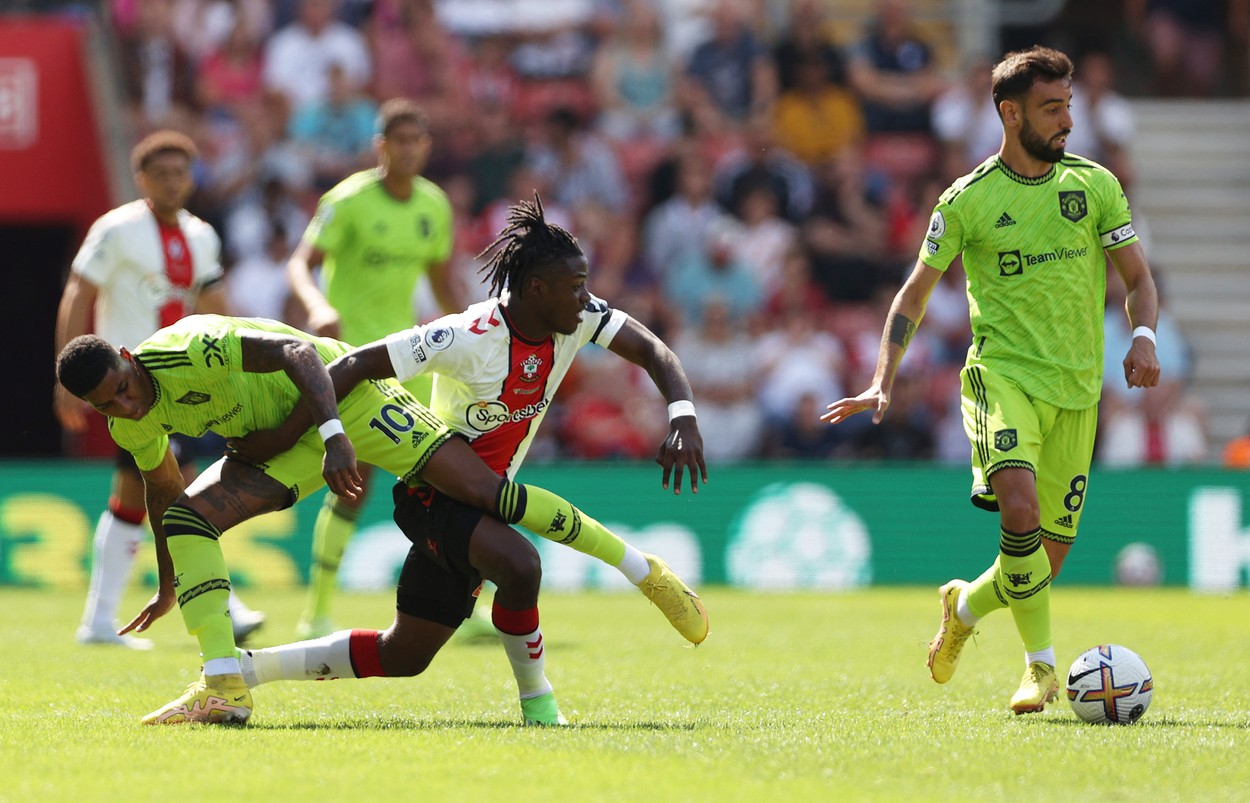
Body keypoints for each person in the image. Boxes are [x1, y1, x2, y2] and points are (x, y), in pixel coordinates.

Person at [56, 313, 707, 726]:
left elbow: (302, 356)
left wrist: (335, 432)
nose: (128, 401)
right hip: (281, 443)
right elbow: (163, 489)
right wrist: (171, 581)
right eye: (110, 401)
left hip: (348, 400)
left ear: (126, 354)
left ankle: (642, 569)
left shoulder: (187, 349)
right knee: (190, 522)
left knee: (484, 492)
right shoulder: (128, 416)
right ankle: (224, 684)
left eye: (125, 384)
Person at [229, 195, 711, 720]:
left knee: (405, 652)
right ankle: (545, 697)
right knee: (520, 564)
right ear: (536, 289)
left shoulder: (579, 317)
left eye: (585, 284)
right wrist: (302, 433)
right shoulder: (464, 336)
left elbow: (653, 351)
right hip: (432, 490)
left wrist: (682, 414)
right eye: (575, 287)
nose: (586, 297)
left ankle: (245, 668)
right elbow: (351, 365)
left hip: (484, 502)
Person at [821, 46, 1161, 714]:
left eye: (1069, 106)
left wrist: (1143, 334)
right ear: (1010, 113)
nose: (1067, 121)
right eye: (1052, 108)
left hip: (1078, 392)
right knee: (1021, 512)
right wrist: (881, 378)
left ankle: (965, 605)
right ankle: (1041, 669)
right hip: (1001, 378)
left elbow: (1139, 279)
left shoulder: (1094, 186)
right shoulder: (967, 200)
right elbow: (913, 295)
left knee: (1040, 563)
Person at [54, 129, 264, 651]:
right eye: (161, 174)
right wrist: (67, 380)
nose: (173, 182)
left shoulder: (201, 236)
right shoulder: (117, 229)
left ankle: (99, 622)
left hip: (180, 386)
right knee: (182, 490)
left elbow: (216, 307)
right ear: (141, 179)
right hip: (127, 391)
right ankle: (224, 605)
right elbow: (79, 291)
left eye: (181, 172)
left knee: (134, 498)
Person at [286, 98, 461, 638]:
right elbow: (300, 264)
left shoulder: (434, 206)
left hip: (411, 359)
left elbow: (441, 282)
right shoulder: (349, 200)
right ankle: (316, 611)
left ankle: (464, 605)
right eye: (398, 141)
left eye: (417, 141)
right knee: (352, 485)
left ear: (427, 147)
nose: (408, 150)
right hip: (354, 361)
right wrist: (318, 307)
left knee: (452, 482)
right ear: (381, 147)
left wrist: (469, 335)